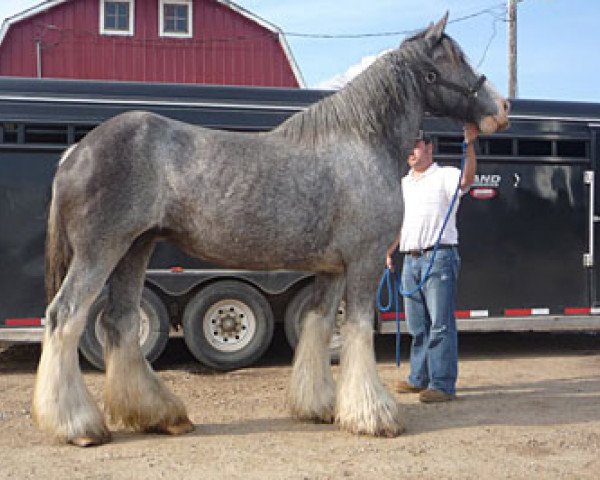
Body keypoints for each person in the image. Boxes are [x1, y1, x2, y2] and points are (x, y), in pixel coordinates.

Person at [385, 124, 479, 403]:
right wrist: (389, 251)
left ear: (428, 148)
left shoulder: (445, 176)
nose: (410, 152)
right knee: (418, 325)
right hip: (410, 258)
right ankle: (419, 377)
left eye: (415, 146)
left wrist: (470, 145)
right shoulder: (405, 183)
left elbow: (468, 179)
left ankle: (442, 385)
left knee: (440, 324)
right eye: (408, 147)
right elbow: (405, 225)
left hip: (438, 257)